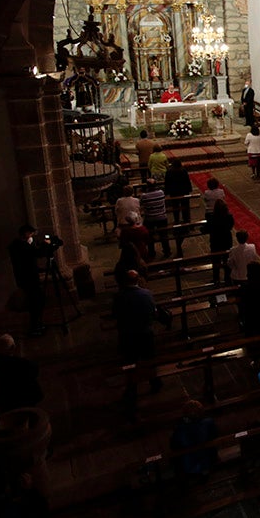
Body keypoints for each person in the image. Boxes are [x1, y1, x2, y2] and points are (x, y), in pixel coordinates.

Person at [112, 270, 162, 411]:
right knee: (149, 360)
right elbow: (153, 312)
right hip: (145, 334)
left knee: (130, 362)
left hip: (127, 335)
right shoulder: (146, 294)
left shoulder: (119, 296)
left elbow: (115, 314)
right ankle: (154, 382)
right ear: (137, 280)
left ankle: (132, 388)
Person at [0, 334, 43, 413]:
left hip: (5, 402)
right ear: (13, 347)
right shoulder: (21, 363)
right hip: (24, 400)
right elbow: (34, 371)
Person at [8, 224, 47, 336]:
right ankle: (35, 327)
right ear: (25, 234)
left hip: (25, 279)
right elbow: (38, 253)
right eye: (31, 233)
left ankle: (37, 324)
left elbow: (28, 260)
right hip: (29, 279)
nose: (32, 236)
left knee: (36, 300)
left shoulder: (16, 245)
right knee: (36, 302)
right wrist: (46, 244)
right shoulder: (22, 246)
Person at [170, 399, 218, 479]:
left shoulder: (180, 429)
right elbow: (214, 435)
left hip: (189, 465)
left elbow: (174, 445)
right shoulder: (209, 422)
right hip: (208, 460)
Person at [139, 177, 170, 259]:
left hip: (150, 218)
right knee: (164, 235)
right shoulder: (161, 192)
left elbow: (141, 204)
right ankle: (167, 251)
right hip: (162, 217)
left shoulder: (144, 196)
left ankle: (151, 252)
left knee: (149, 235)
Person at [206, 199, 235, 283]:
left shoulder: (212, 217)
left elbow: (208, 228)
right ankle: (227, 278)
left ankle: (216, 278)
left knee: (216, 260)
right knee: (227, 260)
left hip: (216, 241)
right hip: (226, 240)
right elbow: (231, 226)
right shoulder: (229, 216)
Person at [164, 158, 192, 224]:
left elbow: (167, 182)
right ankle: (186, 220)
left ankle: (177, 220)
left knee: (175, 207)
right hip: (184, 191)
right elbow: (187, 181)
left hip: (174, 192)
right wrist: (189, 189)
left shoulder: (169, 171)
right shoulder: (183, 170)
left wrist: (167, 191)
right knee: (185, 206)